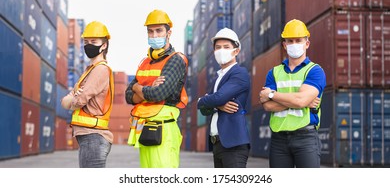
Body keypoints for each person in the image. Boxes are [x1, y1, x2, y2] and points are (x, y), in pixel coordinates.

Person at [259, 19, 326, 168]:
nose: (294, 44)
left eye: (298, 40)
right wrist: (298, 101)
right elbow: (268, 107)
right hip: (279, 140)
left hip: (306, 138)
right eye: (290, 41)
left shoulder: (315, 71)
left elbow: (300, 100)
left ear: (307, 43)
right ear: (284, 44)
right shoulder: (274, 73)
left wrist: (271, 95)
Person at [125, 9, 188, 168]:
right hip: (144, 129)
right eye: (150, 31)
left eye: (159, 30)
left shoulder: (175, 61)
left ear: (169, 33)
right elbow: (127, 95)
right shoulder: (145, 62)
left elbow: (158, 93)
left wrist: (138, 87)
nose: (154, 35)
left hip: (164, 129)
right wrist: (145, 89)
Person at [61, 21, 114, 168]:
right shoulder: (88, 70)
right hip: (88, 137)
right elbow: (65, 102)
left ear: (104, 45)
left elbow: (78, 100)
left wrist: (73, 98)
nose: (89, 45)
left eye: (93, 41)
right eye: (86, 42)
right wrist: (73, 98)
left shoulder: (100, 70)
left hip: (94, 137)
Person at [197, 27, 251, 168]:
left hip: (233, 145)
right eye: (218, 47)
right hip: (218, 144)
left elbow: (218, 98)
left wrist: (202, 101)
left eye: (226, 47)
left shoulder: (240, 73)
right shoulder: (217, 78)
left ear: (236, 51)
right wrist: (215, 105)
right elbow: (205, 110)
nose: (221, 50)